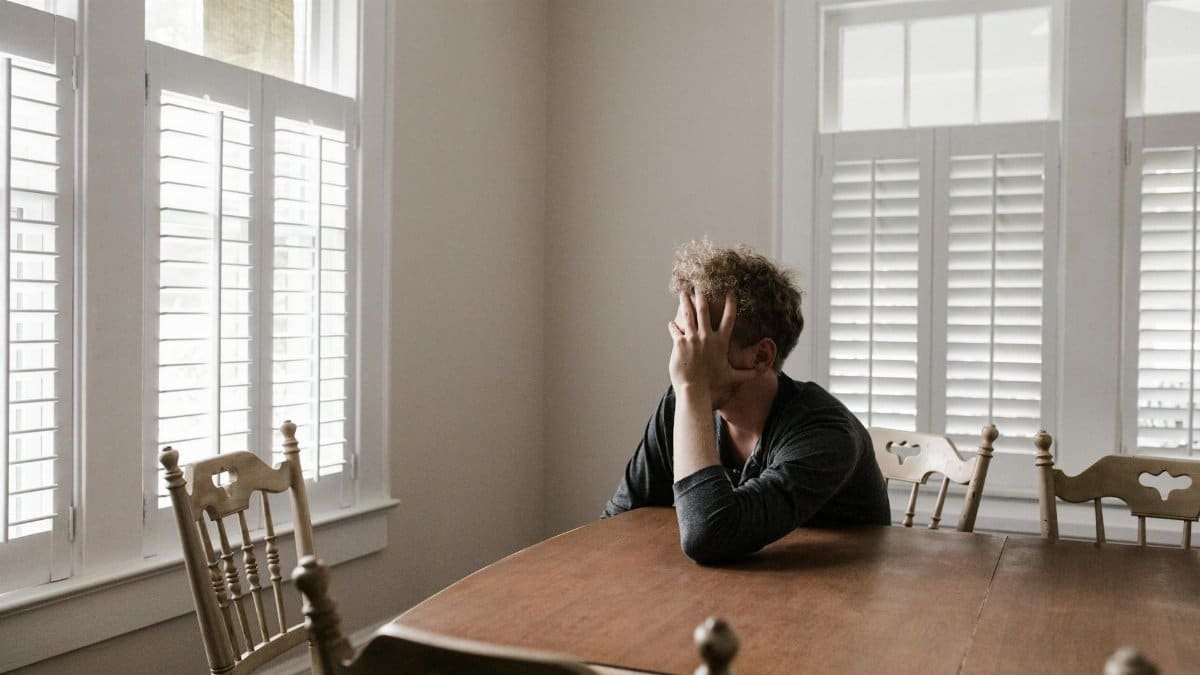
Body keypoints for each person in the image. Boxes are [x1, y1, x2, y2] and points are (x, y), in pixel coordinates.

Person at [602, 240, 890, 564]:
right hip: (732, 594)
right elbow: (617, 522)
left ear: (761, 356)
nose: (682, 357)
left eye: (701, 340)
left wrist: (693, 389)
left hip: (841, 599)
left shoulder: (826, 433)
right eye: (682, 337)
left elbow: (709, 536)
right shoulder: (681, 405)